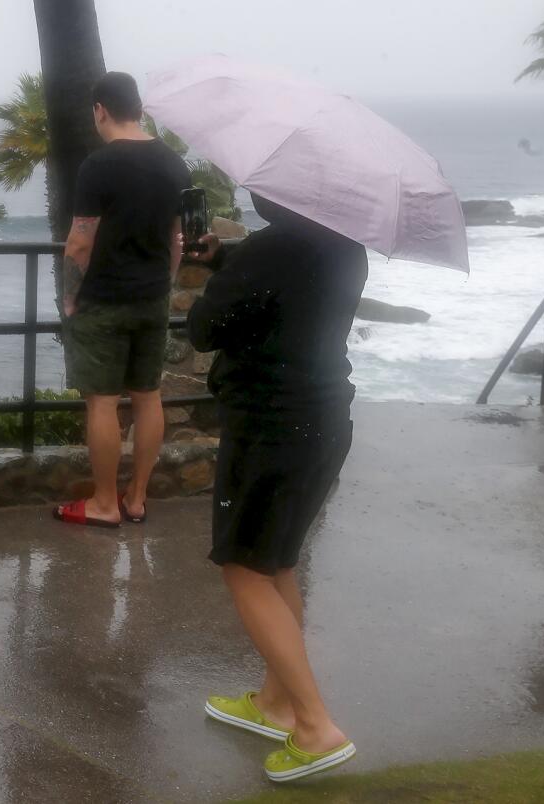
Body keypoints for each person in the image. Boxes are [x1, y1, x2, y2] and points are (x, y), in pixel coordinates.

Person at [187, 192, 367, 782]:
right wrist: (228, 257)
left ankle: (315, 727)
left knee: (244, 567)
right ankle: (275, 702)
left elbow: (205, 328)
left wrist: (201, 270)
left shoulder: (273, 248)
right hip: (323, 421)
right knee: (278, 562)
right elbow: (291, 294)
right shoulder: (345, 245)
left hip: (271, 427)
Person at [53, 71, 191, 529]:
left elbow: (79, 242)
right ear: (139, 108)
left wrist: (70, 298)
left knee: (103, 402)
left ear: (101, 110)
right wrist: (165, 284)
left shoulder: (99, 166)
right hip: (152, 298)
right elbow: (178, 239)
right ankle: (136, 498)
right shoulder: (175, 164)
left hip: (104, 299)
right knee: (149, 396)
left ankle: (104, 503)